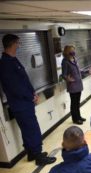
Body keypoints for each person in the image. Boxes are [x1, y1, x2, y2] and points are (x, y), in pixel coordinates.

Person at [0, 34, 56, 166]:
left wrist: (33, 93)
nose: (19, 46)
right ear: (12, 44)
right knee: (32, 129)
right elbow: (15, 87)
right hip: (20, 104)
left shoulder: (13, 60)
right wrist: (30, 96)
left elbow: (24, 80)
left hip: (25, 102)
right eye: (18, 43)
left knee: (28, 129)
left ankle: (31, 153)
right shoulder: (5, 64)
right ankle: (38, 156)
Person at [62, 45, 85, 125]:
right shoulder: (65, 61)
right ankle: (75, 119)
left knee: (77, 102)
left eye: (74, 50)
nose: (73, 51)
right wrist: (68, 79)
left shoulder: (74, 59)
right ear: (67, 51)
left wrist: (86, 71)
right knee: (74, 103)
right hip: (72, 86)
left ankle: (79, 116)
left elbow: (78, 69)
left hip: (78, 84)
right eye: (72, 50)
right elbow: (64, 75)